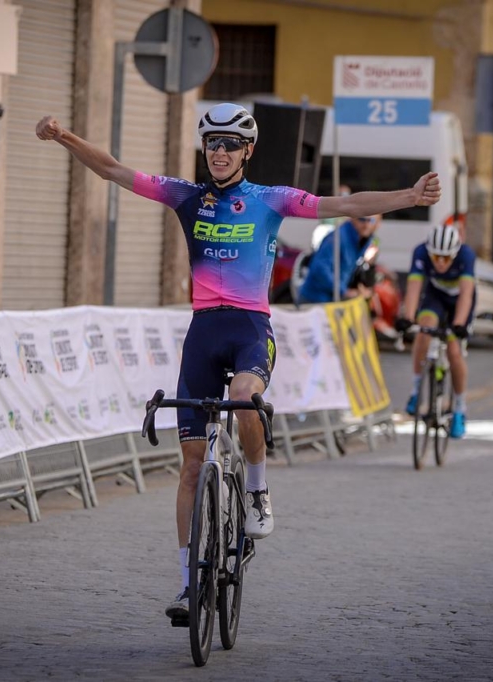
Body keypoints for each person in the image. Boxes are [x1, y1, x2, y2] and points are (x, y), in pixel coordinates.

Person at [35, 102, 441, 621]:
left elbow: (343, 203)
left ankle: (256, 489)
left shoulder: (270, 200)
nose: (219, 152)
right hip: (203, 333)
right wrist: (64, 135)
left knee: (244, 397)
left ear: (247, 150)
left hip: (251, 329)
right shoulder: (186, 196)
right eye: (212, 143)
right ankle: (187, 585)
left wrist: (408, 196)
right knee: (188, 468)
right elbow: (115, 169)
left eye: (230, 144)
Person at [395, 223, 475, 439]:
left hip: (458, 301)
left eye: (446, 258)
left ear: (455, 254)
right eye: (436, 256)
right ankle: (415, 391)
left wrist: (459, 325)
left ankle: (459, 408)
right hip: (436, 296)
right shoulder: (420, 252)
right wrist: (407, 318)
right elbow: (413, 288)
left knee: (454, 351)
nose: (440, 262)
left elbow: (467, 294)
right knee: (423, 331)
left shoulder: (466, 255)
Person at [296, 213, 380, 304]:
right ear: (353, 219)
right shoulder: (338, 238)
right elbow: (320, 269)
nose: (366, 225)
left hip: (330, 300)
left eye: (370, 220)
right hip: (315, 299)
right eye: (362, 220)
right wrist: (344, 291)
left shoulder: (363, 239)